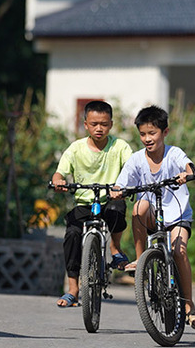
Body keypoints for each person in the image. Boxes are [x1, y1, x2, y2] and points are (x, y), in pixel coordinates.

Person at [111, 105, 195, 330]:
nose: (147, 138)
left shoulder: (174, 154)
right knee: (138, 207)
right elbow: (121, 182)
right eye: (142, 134)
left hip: (178, 215)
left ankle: (189, 306)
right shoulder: (136, 160)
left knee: (179, 251)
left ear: (165, 132)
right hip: (152, 216)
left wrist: (188, 174)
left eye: (152, 133)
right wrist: (116, 189)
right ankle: (141, 260)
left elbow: (189, 165)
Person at [51, 100, 133, 308]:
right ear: (85, 124)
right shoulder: (76, 148)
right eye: (94, 123)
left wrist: (124, 188)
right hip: (84, 202)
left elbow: (133, 170)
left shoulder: (120, 147)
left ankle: (115, 250)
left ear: (111, 125)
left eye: (104, 124)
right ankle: (73, 289)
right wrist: (59, 180)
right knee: (71, 235)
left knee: (117, 209)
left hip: (109, 200)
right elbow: (60, 172)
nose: (99, 128)